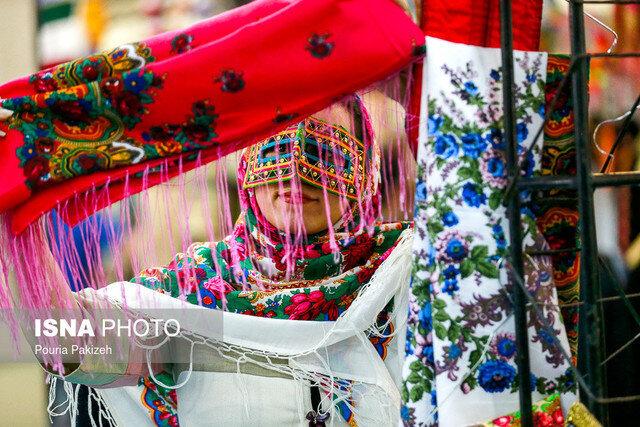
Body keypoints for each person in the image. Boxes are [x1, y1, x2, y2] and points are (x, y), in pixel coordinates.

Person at [2, 97, 414, 426]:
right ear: (248, 160)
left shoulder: (402, 276)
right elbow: (65, 340)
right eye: (276, 148)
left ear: (365, 175)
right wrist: (13, 206)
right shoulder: (193, 294)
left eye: (326, 156)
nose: (295, 174)